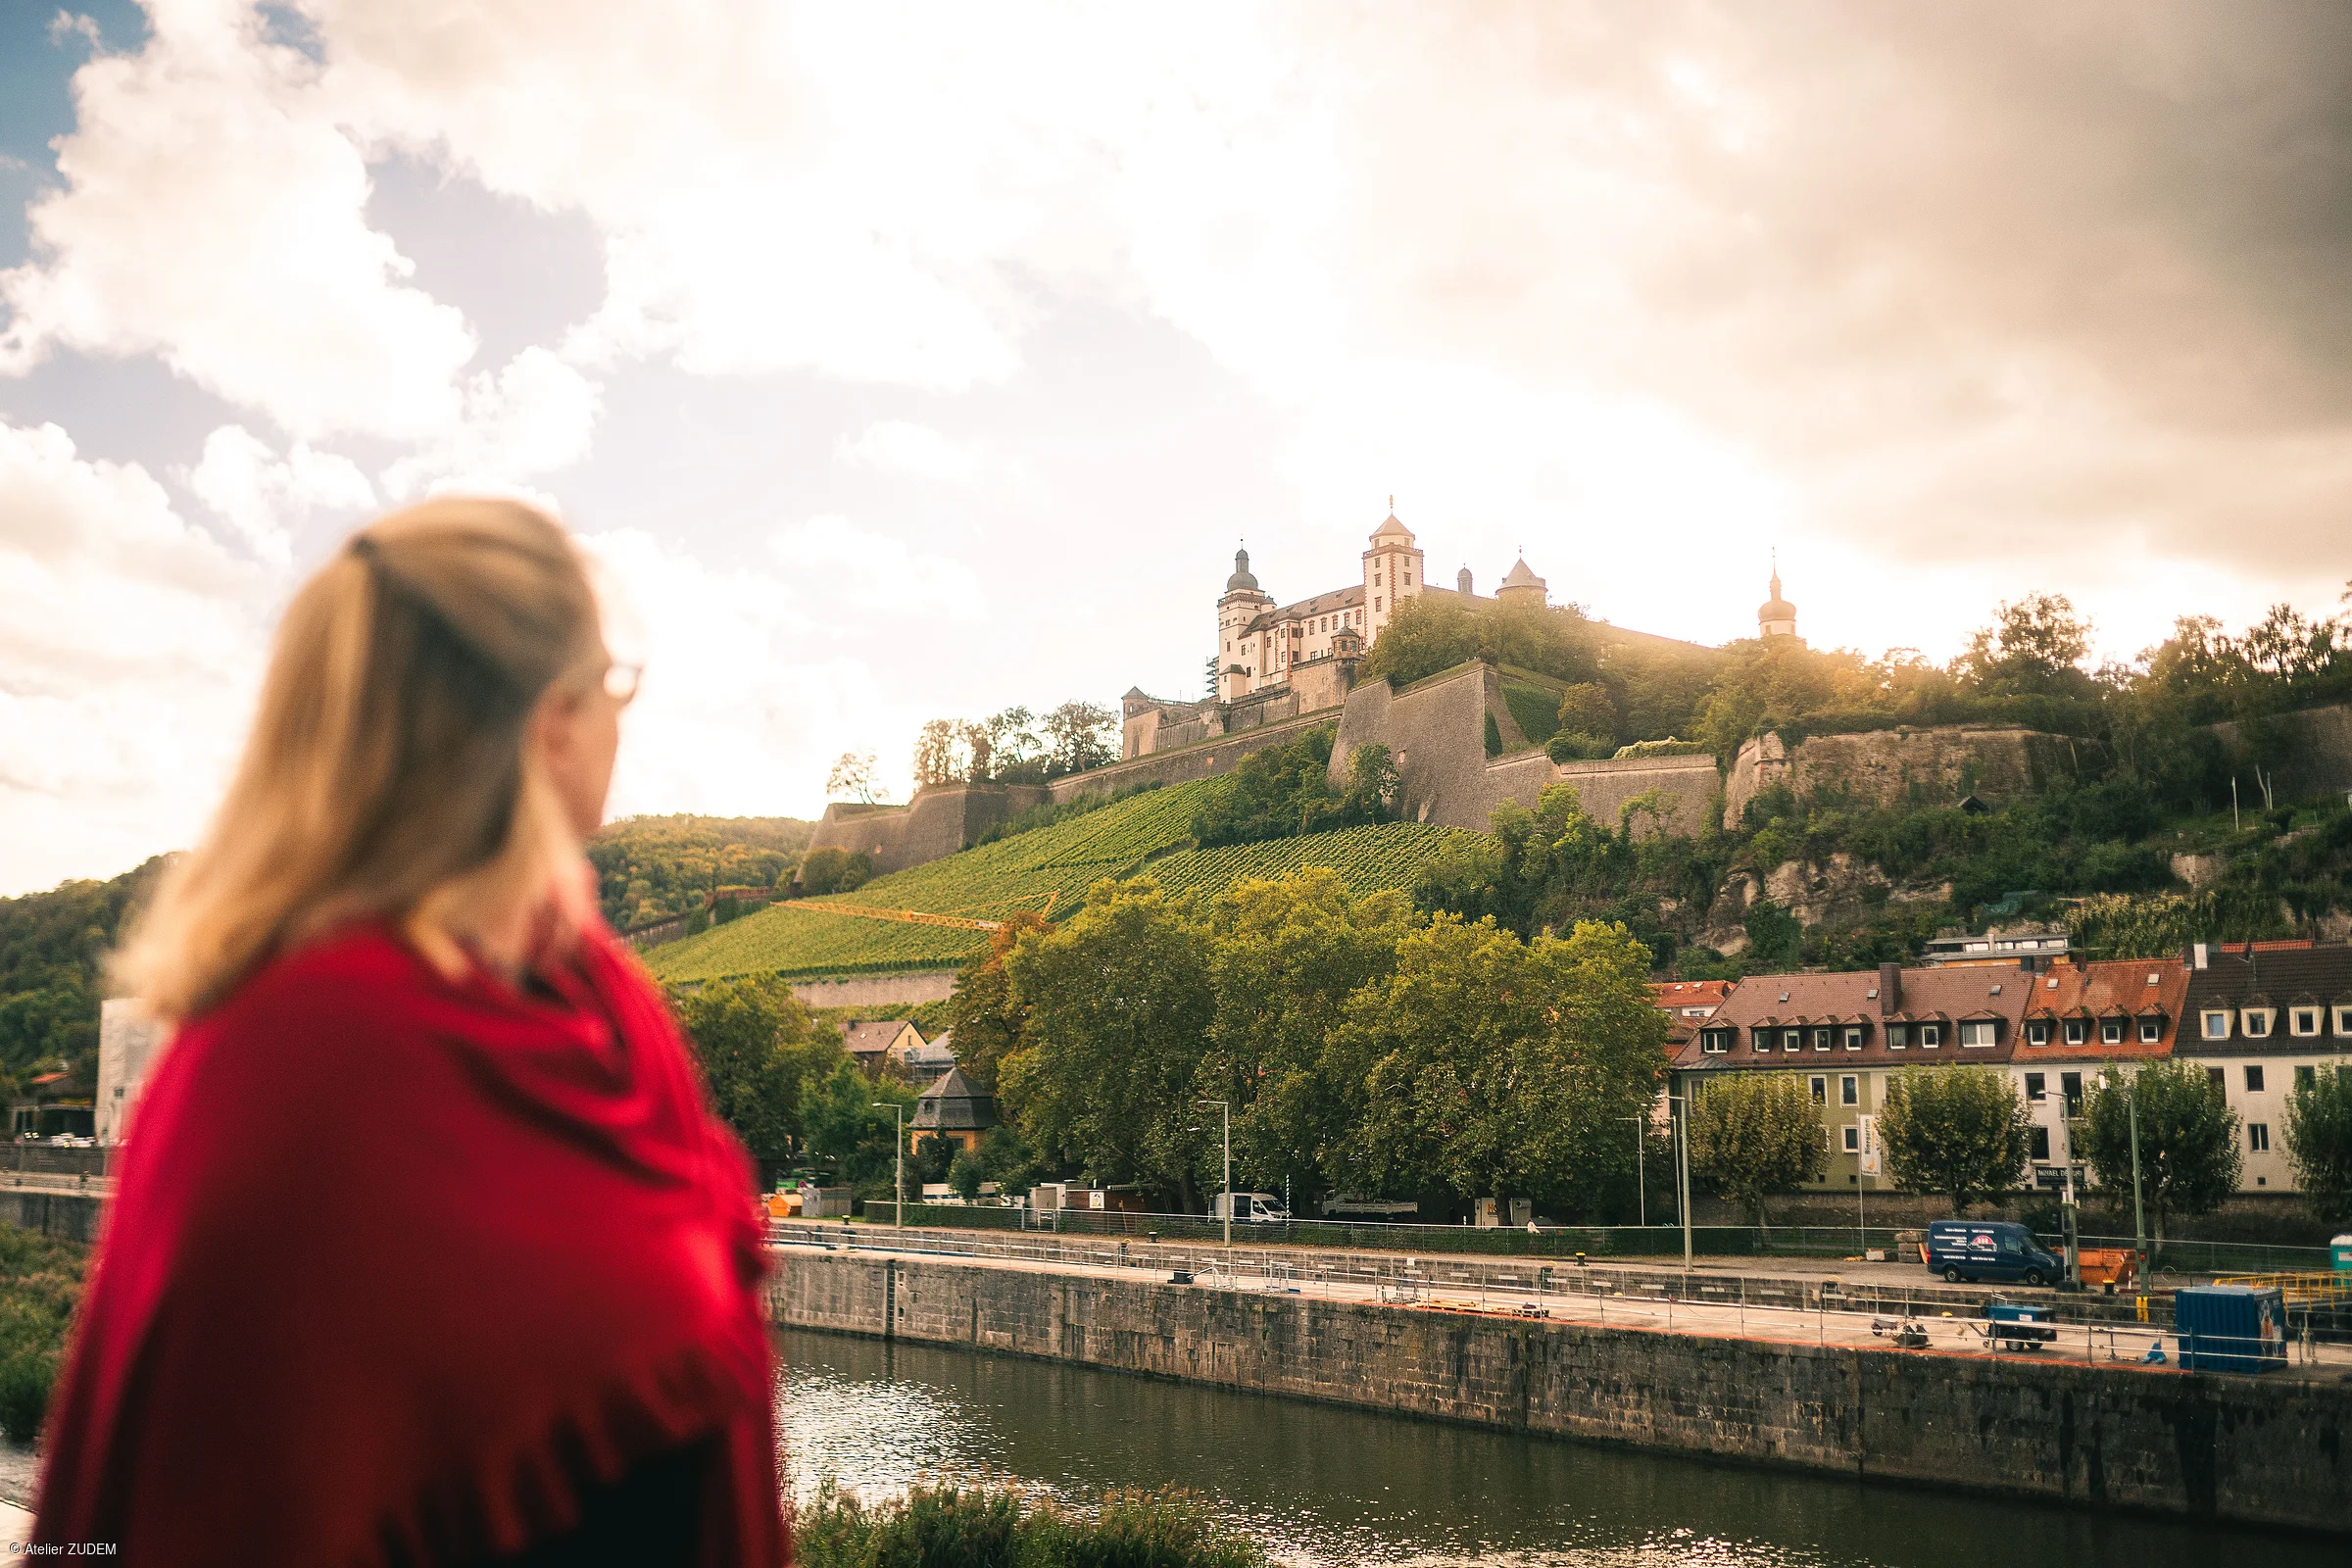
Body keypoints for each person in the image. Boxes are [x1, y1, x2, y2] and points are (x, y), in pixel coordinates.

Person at [34, 498, 787, 1565]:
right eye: (614, 684)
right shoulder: (301, 1057)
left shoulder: (588, 999)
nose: (623, 718)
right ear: (552, 718)